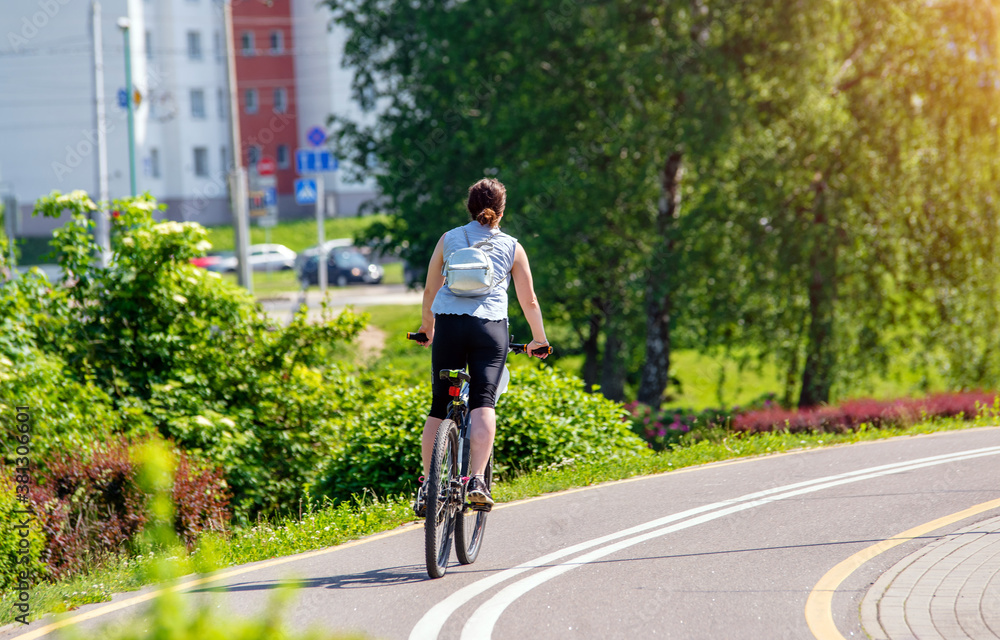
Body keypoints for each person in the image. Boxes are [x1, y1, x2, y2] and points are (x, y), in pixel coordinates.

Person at [413, 177, 549, 515]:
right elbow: (529, 300)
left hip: (449, 324)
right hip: (489, 328)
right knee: (483, 402)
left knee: (439, 404)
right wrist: (539, 339)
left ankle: (429, 485)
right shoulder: (512, 246)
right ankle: (476, 480)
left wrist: (427, 328)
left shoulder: (448, 239)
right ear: (501, 211)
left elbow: (430, 290)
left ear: (469, 207)